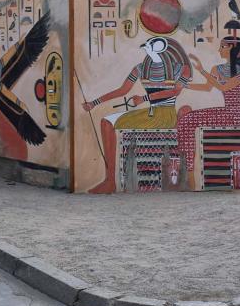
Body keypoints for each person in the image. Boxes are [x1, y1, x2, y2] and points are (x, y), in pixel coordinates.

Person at [81, 36, 191, 193]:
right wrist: (94, 103)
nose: (145, 47)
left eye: (149, 45)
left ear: (159, 47)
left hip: (165, 115)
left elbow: (175, 91)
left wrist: (144, 98)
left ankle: (111, 181)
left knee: (109, 123)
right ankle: (110, 180)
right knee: (106, 122)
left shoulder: (180, 68)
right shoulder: (140, 68)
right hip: (152, 113)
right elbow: (122, 90)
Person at [176, 36, 240, 171]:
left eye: (223, 47)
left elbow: (224, 87)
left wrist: (202, 70)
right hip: (226, 111)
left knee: (188, 119)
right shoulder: (216, 69)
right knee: (186, 119)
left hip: (237, 114)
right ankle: (186, 161)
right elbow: (207, 88)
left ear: (232, 48)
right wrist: (184, 86)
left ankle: (187, 166)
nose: (219, 50)